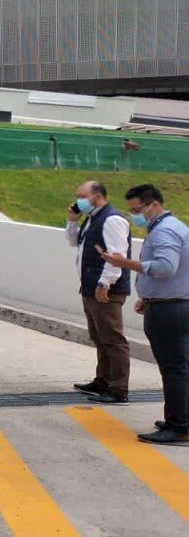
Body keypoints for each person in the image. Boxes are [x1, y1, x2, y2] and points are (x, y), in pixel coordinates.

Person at [99, 185, 189, 445]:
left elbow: (165, 267)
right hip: (171, 304)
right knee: (180, 368)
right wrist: (147, 297)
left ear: (154, 205)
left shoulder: (165, 231)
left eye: (137, 210)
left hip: (169, 310)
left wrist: (122, 263)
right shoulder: (175, 227)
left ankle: (178, 426)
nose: (135, 216)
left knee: (174, 370)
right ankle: (180, 417)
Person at [66, 180, 132, 405]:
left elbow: (117, 255)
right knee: (99, 337)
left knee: (113, 339)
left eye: (82, 195)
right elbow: (73, 242)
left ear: (97, 196)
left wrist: (105, 284)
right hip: (90, 287)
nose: (78, 200)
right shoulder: (91, 219)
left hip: (106, 290)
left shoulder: (112, 219)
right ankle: (103, 380)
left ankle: (118, 388)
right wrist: (72, 221)